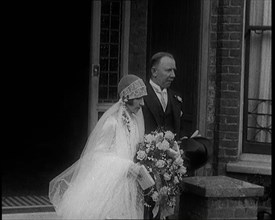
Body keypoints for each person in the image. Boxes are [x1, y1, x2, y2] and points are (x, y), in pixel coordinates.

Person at [49, 74, 148, 219]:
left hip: (130, 185)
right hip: (113, 185)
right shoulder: (112, 123)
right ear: (128, 97)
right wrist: (125, 166)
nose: (143, 103)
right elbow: (98, 155)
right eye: (139, 98)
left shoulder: (135, 122)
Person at [142, 52, 212, 219]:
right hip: (145, 165)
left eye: (174, 70)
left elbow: (176, 131)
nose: (173, 75)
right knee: (145, 211)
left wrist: (187, 139)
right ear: (154, 72)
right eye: (168, 70)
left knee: (166, 211)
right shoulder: (141, 96)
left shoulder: (176, 98)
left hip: (169, 169)